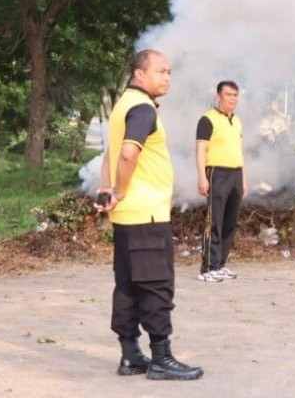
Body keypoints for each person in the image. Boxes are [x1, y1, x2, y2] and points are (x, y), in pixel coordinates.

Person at [97, 49, 202, 381]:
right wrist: (121, 190)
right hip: (147, 215)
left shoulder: (123, 105)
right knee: (156, 286)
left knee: (127, 285)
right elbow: (127, 154)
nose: (167, 77)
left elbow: (111, 153)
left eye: (170, 71)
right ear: (139, 75)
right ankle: (161, 358)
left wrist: (106, 190)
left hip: (127, 219)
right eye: (160, 71)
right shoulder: (142, 109)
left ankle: (130, 355)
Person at [195, 81, 247, 283]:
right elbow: (200, 150)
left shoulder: (237, 121)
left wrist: (244, 179)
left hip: (236, 174)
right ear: (219, 96)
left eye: (235, 95)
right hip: (216, 173)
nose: (233, 98)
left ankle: (220, 264)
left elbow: (239, 151)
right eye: (228, 94)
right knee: (214, 221)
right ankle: (208, 268)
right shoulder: (207, 119)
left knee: (229, 222)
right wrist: (202, 176)